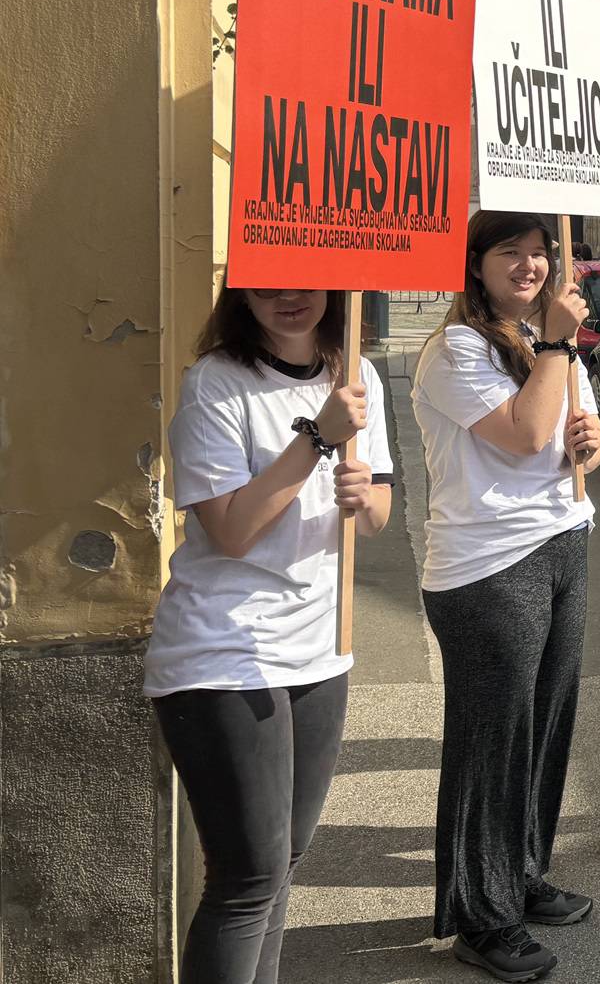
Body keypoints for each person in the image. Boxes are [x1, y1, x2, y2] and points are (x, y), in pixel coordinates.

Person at [148, 285, 393, 984]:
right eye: (267, 282)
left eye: (302, 280)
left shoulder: (357, 375)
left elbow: (376, 511)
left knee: (280, 863)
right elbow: (229, 531)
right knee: (247, 875)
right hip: (223, 651)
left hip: (318, 647)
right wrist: (315, 440)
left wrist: (363, 498)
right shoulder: (216, 382)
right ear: (240, 290)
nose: (287, 297)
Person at [412, 212, 600, 982]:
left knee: (546, 724)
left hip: (565, 541)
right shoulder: (453, 348)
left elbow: (569, 433)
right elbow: (525, 436)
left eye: (538, 252)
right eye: (509, 252)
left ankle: (519, 874)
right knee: (493, 741)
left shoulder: (543, 342)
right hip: (488, 566)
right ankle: (479, 916)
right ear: (475, 264)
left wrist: (588, 439)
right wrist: (558, 345)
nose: (529, 265)